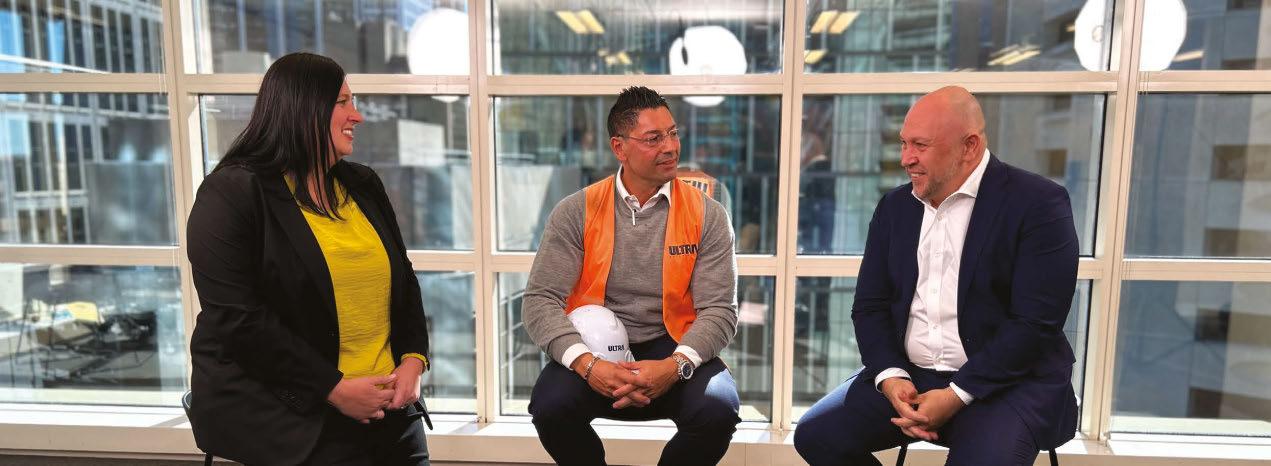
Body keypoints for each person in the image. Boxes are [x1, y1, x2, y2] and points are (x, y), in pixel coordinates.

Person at [794, 86, 1080, 465]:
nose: (906, 158)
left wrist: (956, 394)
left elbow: (1035, 325)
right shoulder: (895, 207)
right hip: (912, 378)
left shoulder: (1039, 203)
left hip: (1007, 384)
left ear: (969, 147)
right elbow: (870, 306)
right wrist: (891, 376)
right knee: (816, 435)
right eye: (903, 143)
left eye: (920, 145)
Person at [186, 52, 432, 465]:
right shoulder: (231, 195)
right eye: (343, 102)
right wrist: (333, 389)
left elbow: (402, 278)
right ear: (304, 109)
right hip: (296, 417)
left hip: (390, 411)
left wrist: (413, 359)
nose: (357, 116)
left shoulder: (363, 183)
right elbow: (238, 319)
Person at [522, 86, 741, 466]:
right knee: (550, 406)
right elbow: (540, 300)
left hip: (674, 344)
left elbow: (720, 310)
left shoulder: (708, 215)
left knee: (718, 409)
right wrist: (588, 365)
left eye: (673, 133)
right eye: (654, 138)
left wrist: (674, 366)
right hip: (594, 347)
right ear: (619, 148)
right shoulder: (576, 211)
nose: (670, 147)